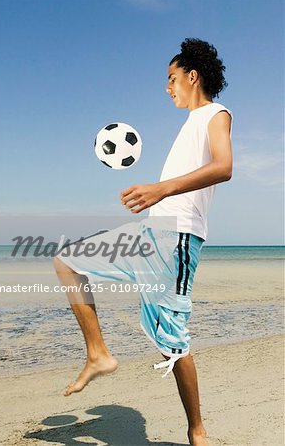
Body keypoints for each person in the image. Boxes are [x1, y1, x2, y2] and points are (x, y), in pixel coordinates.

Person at [54, 38, 233, 446]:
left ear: (193, 75)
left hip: (179, 236)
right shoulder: (190, 122)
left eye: (172, 79)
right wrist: (155, 198)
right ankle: (98, 353)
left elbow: (224, 167)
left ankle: (197, 431)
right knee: (67, 261)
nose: (168, 87)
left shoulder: (215, 114)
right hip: (153, 232)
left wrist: (161, 190)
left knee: (172, 338)